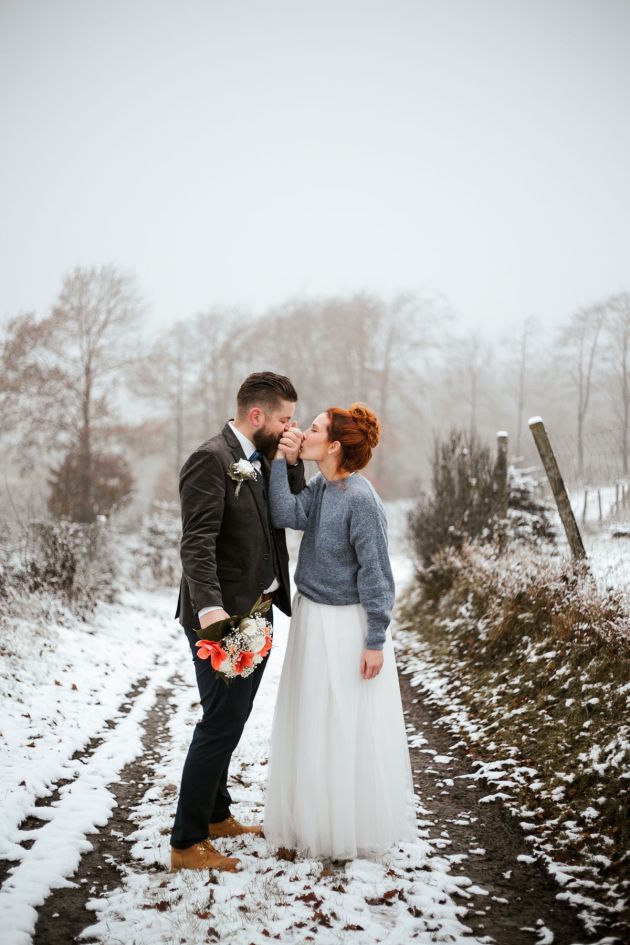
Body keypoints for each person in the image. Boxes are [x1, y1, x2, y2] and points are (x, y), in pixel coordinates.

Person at [263, 403, 417, 860]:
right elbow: (284, 512)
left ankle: (344, 827)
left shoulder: (361, 500)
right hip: (312, 617)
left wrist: (375, 640)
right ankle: (312, 820)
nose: (302, 430)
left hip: (347, 625)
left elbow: (377, 575)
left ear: (332, 446)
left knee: (343, 724)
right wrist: (282, 460)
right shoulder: (323, 486)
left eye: (313, 428)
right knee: (312, 719)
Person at [170, 372, 306, 872]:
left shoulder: (264, 459)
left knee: (233, 718)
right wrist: (211, 610)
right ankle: (186, 843)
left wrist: (293, 463)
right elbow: (196, 542)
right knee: (220, 723)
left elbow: (290, 513)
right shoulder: (210, 459)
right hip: (222, 618)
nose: (291, 427)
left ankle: (216, 815)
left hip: (260, 610)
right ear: (256, 415)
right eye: (285, 419)